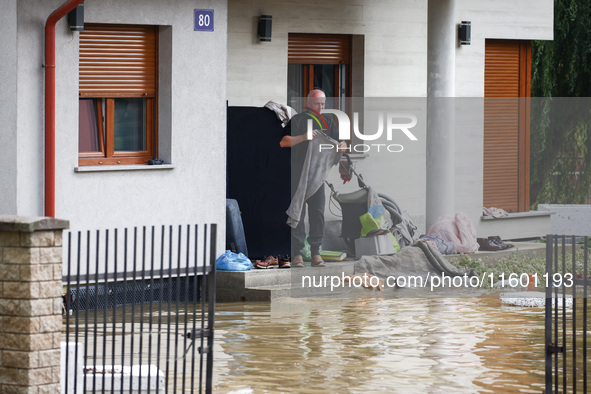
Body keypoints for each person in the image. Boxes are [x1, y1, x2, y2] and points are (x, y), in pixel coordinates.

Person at [280, 89, 347, 267]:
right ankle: (297, 254)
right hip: (298, 174)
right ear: (308, 102)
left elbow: (341, 144)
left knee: (317, 214)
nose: (321, 106)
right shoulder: (298, 120)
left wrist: (343, 146)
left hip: (318, 175)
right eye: (317, 103)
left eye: (323, 103)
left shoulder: (329, 121)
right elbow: (283, 141)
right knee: (298, 213)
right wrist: (304, 137)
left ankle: (316, 252)